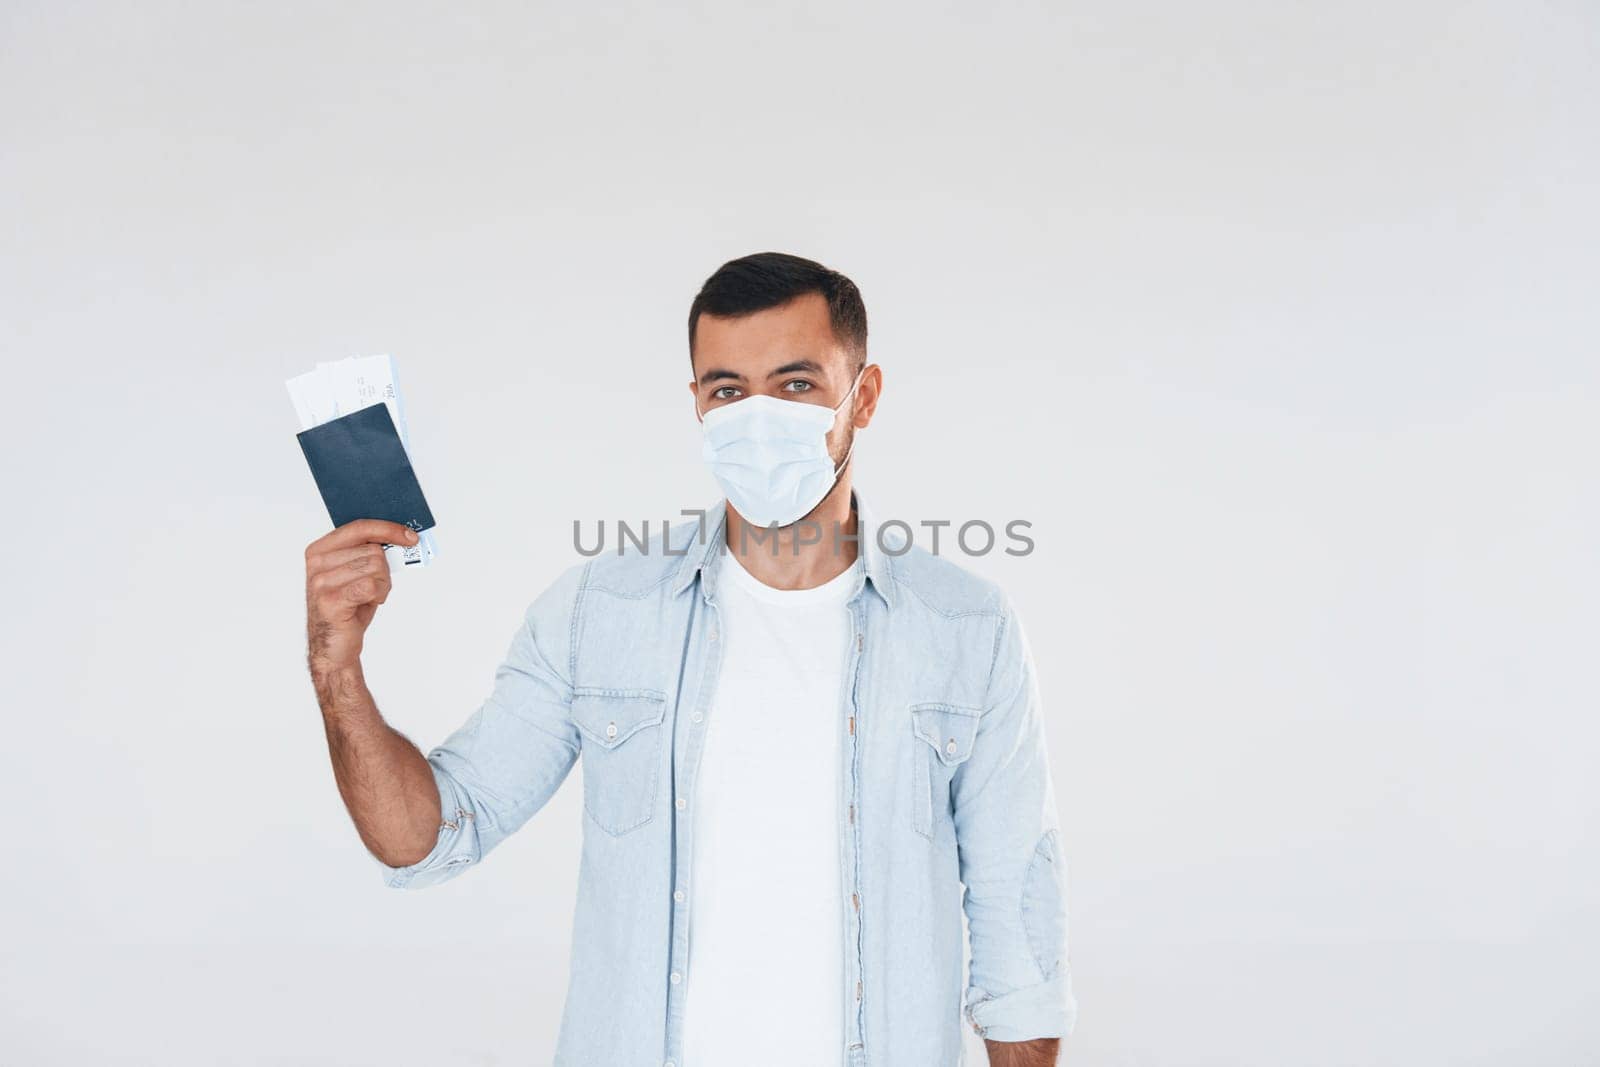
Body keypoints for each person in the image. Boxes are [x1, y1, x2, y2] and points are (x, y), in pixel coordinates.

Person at [302, 252, 1077, 1066]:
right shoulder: (599, 614)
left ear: (866, 396)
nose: (759, 416)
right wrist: (337, 667)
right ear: (698, 404)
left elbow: (1017, 939)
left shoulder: (965, 629)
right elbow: (425, 837)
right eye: (729, 391)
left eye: (798, 384)